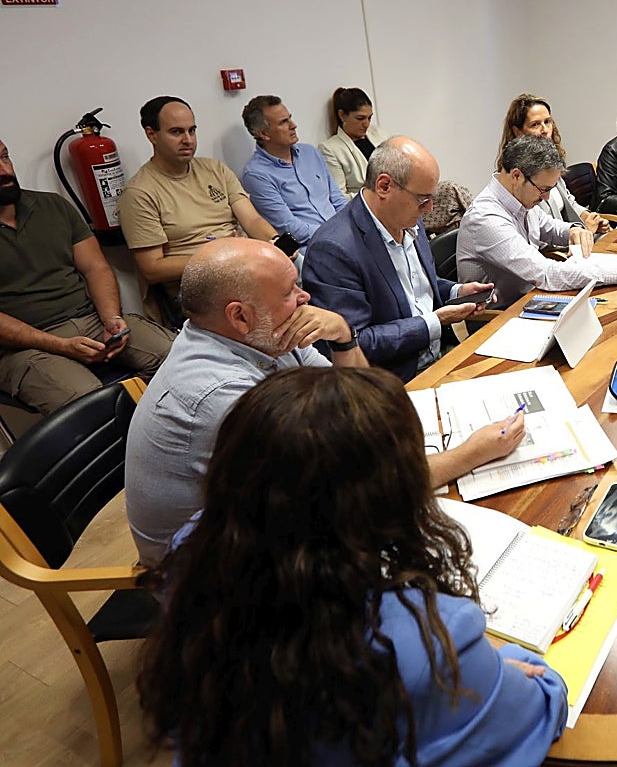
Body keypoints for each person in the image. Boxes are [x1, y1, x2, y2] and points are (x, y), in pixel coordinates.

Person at [137, 367, 568, 766]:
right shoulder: (429, 643)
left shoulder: (195, 553)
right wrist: (498, 661)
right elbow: (540, 707)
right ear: (393, 498)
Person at [124, 237, 520, 566]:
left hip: (266, 518)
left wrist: (345, 336)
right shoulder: (221, 396)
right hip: (212, 576)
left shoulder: (268, 334)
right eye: (289, 292)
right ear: (239, 316)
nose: (305, 297)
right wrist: (471, 453)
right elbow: (354, 491)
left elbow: (358, 403)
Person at [0, 138, 174, 414]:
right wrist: (61, 345)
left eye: (5, 157)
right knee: (91, 404)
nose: (4, 171)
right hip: (24, 347)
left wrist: (112, 319)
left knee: (178, 358)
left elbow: (96, 268)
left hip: (89, 320)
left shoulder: (52, 206)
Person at [303, 136, 494, 380]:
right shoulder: (333, 249)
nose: (430, 209)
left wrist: (457, 291)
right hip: (396, 380)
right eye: (423, 200)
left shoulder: (408, 219)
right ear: (384, 186)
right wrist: (434, 322)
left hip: (442, 356)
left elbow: (416, 287)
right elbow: (353, 343)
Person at [118, 96, 277, 319]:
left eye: (192, 131)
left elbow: (252, 220)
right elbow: (152, 269)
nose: (188, 140)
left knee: (301, 271)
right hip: (197, 287)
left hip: (241, 265)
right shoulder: (140, 193)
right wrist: (217, 255)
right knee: (277, 301)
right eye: (176, 132)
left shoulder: (214, 170)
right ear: (151, 135)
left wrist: (276, 242)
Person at [458, 135, 617, 307]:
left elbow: (548, 226)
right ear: (516, 176)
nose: (546, 198)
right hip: (502, 317)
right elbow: (545, 273)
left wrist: (573, 231)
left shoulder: (518, 198)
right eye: (544, 189)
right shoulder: (486, 218)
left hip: (533, 298)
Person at [239, 94, 347, 251]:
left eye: (290, 118)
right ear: (264, 134)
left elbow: (337, 200)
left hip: (343, 236)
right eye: (284, 122)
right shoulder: (256, 175)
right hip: (310, 248)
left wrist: (352, 225)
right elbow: (290, 228)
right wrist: (336, 234)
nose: (293, 125)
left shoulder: (310, 153)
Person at [496, 93, 607, 233]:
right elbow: (539, 233)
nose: (545, 130)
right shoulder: (519, 179)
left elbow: (568, 201)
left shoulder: (549, 164)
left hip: (569, 237)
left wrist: (589, 218)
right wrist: (584, 232)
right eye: (535, 124)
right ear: (518, 131)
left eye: (547, 122)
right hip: (556, 250)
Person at [319, 86, 389, 201]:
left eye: (369, 118)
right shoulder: (330, 149)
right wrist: (372, 195)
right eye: (360, 118)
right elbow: (339, 197)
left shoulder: (377, 133)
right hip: (367, 206)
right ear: (342, 115)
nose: (366, 124)